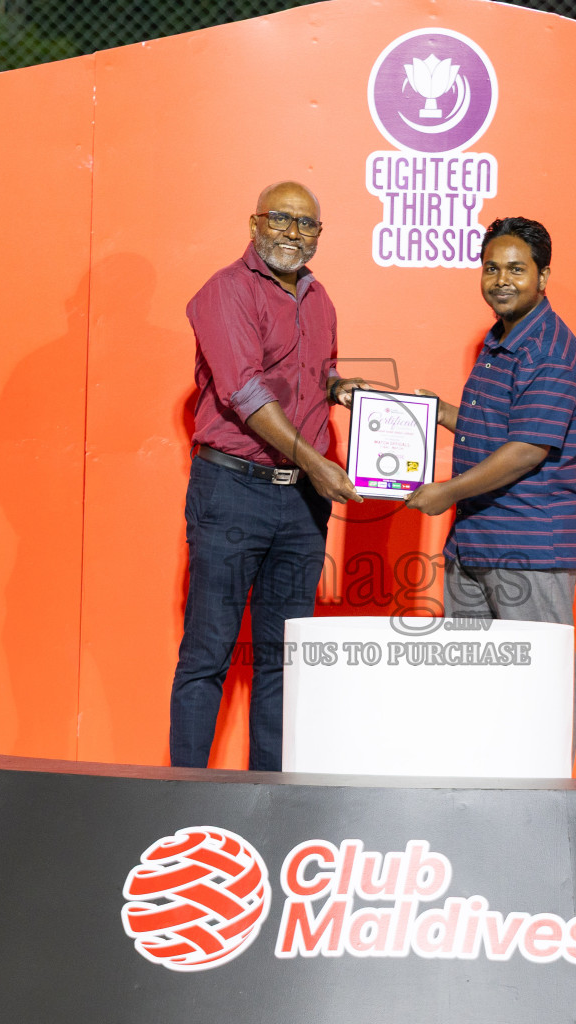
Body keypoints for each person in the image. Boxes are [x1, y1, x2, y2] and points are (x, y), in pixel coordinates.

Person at [171, 181, 362, 772]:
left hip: (301, 506)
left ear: (319, 236)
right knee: (208, 653)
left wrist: (343, 389)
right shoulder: (225, 291)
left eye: (306, 224)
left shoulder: (320, 299)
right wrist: (315, 461)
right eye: (280, 219)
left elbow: (314, 374)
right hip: (232, 491)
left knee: (284, 660)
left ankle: (268, 806)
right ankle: (181, 804)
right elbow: (246, 391)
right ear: (254, 223)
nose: (292, 233)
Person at [405, 216, 576, 737]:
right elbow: (498, 428)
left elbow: (527, 449)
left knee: (539, 685)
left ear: (544, 276)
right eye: (491, 268)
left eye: (516, 269)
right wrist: (437, 411)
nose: (501, 280)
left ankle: (549, 802)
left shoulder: (549, 349)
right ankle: (484, 800)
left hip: (530, 546)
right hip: (475, 542)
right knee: (475, 689)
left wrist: (446, 492)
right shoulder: (499, 342)